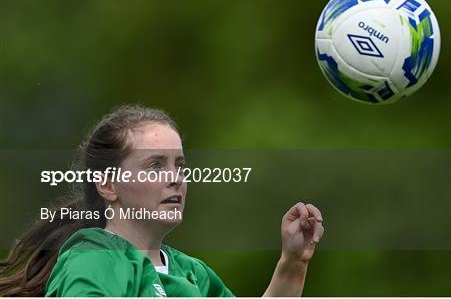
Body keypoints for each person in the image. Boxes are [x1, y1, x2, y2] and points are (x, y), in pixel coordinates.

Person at [0, 104, 324, 297]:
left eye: (179, 165)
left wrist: (293, 263)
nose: (175, 178)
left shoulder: (192, 272)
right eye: (154, 165)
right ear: (108, 185)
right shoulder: (96, 256)